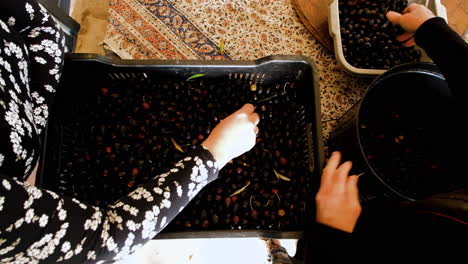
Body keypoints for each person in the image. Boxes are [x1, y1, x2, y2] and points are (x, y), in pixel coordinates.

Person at [0, 1, 259, 263]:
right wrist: (215, 153)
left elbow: (35, 25)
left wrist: (40, 110)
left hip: (30, 113)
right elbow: (103, 240)